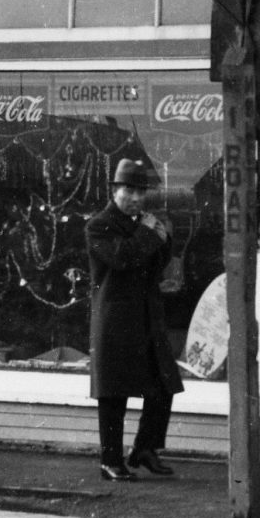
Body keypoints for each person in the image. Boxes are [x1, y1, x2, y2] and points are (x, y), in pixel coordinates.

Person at [85, 158, 184, 481]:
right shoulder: (99, 225)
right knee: (114, 393)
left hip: (145, 316)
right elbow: (122, 257)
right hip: (115, 321)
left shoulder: (144, 223)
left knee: (161, 384)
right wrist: (149, 233)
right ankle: (110, 460)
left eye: (141, 191)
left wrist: (164, 238)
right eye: (129, 190)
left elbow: (156, 264)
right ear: (115, 190)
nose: (137, 198)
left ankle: (146, 448)